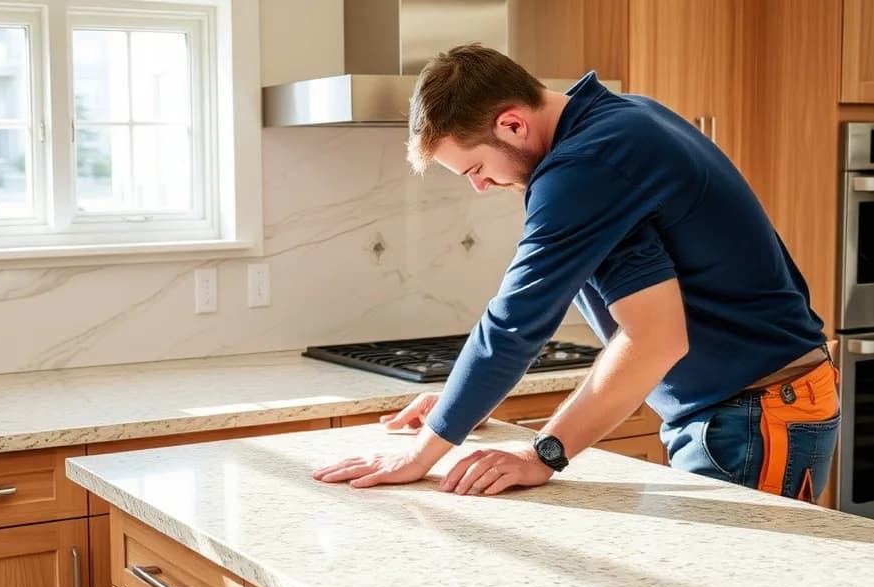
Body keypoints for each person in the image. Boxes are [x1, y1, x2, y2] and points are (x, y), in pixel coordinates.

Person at [312, 44, 840, 503]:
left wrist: (435, 451)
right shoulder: (618, 128)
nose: (479, 187)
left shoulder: (587, 166)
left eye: (475, 169)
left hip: (757, 413)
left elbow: (515, 324)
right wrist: (457, 405)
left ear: (512, 124)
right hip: (749, 408)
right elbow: (653, 332)